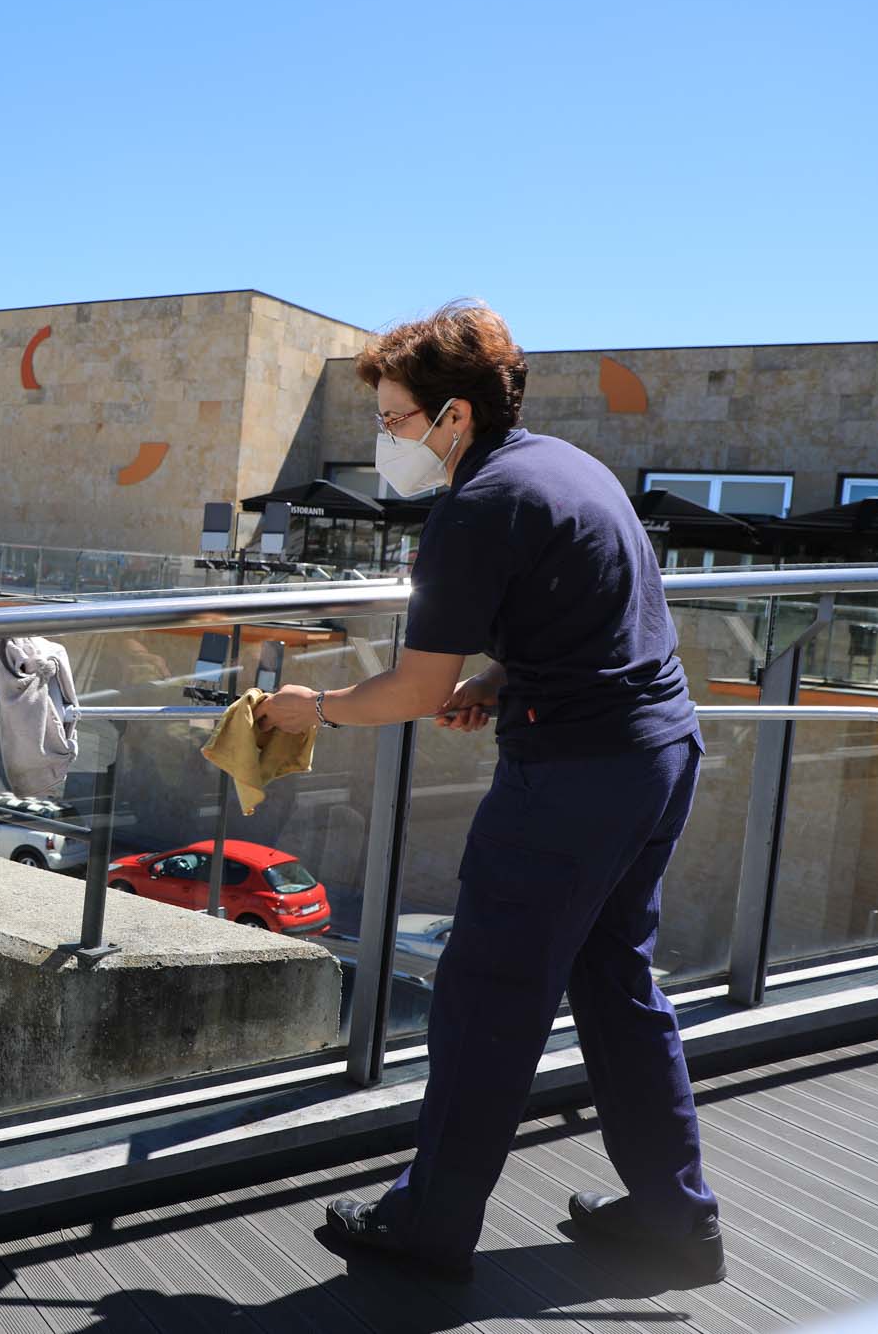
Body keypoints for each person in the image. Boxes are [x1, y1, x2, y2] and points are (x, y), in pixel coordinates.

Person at [256, 302, 720, 1286]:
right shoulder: (566, 467)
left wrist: (314, 707)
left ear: (451, 417)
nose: (383, 442)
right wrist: (501, 679)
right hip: (657, 751)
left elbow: (408, 690)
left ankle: (428, 1225)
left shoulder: (473, 508)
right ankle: (674, 1218)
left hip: (572, 781)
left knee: (484, 1000)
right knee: (614, 984)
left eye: (390, 422)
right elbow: (593, 613)